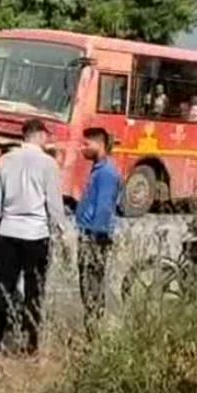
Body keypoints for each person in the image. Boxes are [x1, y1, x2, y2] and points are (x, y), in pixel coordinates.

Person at [0, 119, 64, 356]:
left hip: (8, 232)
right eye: (46, 135)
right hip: (36, 234)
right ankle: (30, 347)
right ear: (39, 135)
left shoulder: (5, 160)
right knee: (34, 292)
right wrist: (58, 231)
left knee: (4, 289)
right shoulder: (48, 164)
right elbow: (54, 204)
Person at [75, 128, 122, 329]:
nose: (83, 148)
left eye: (87, 144)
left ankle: (93, 334)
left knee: (92, 286)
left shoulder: (107, 173)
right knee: (88, 286)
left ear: (100, 145)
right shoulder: (99, 169)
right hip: (90, 234)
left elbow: (103, 208)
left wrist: (92, 237)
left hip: (95, 237)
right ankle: (92, 330)